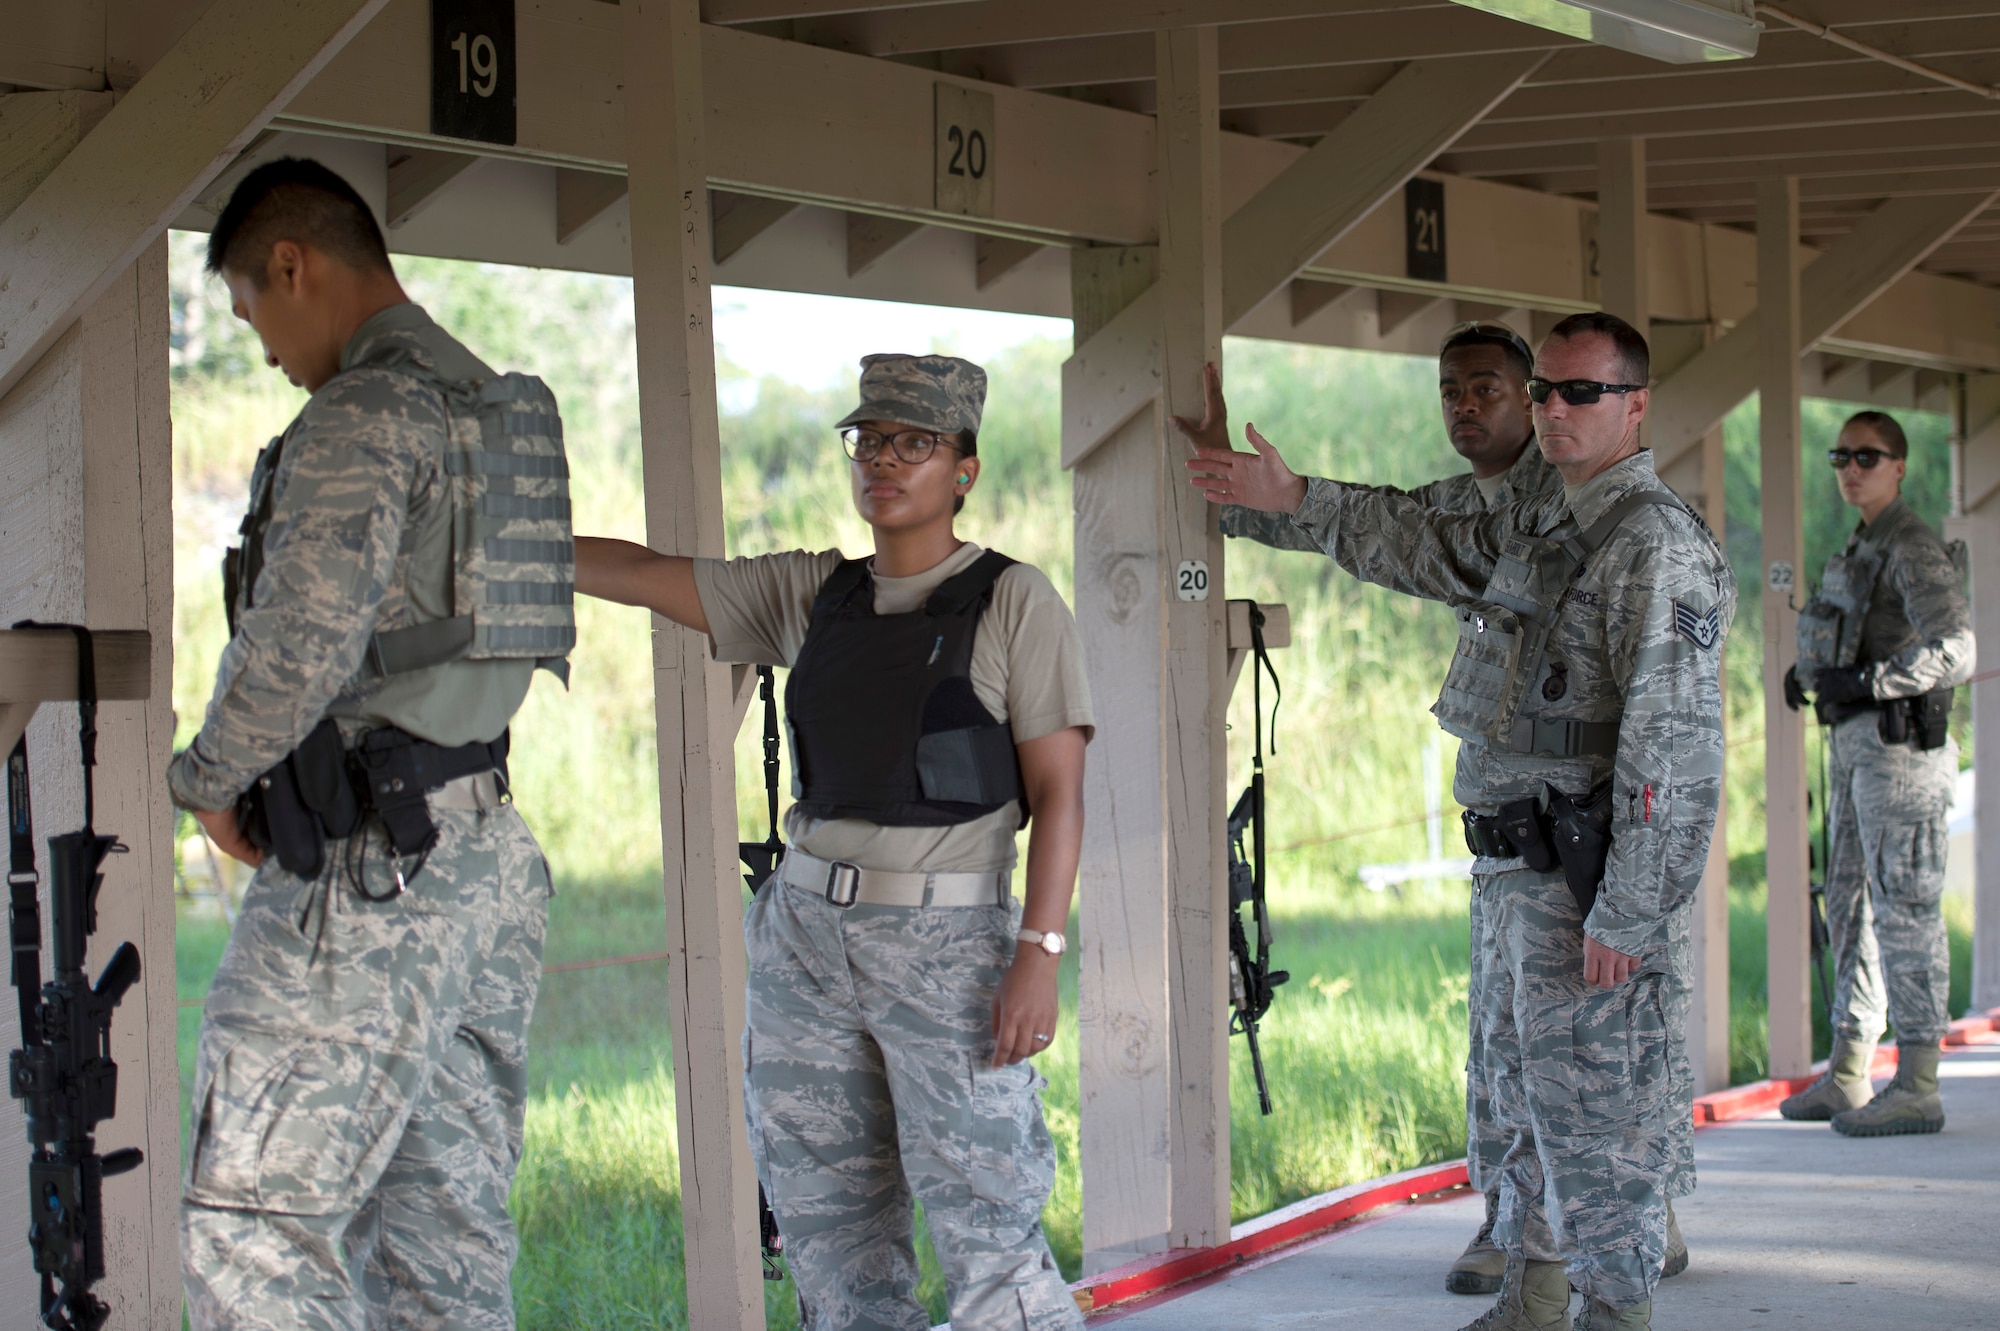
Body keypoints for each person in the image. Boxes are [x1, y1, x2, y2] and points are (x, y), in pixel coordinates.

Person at [1184, 312, 1732, 1331]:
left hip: (1582, 878)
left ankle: (1612, 1310)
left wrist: (1630, 907)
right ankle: (1532, 1294)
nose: (1552, 410)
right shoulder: (1537, 520)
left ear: (1634, 406)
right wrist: (1280, 495)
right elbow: (1412, 534)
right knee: (1521, 1094)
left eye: (1579, 393)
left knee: (1594, 1121)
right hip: (1512, 866)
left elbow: (1677, 747)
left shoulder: (1650, 541)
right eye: (1546, 393)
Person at [575, 353, 1091, 1331]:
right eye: (867, 440)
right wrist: (507, 545)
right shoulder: (814, 594)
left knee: (986, 1228)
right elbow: (648, 575)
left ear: (963, 468)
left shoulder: (1013, 600)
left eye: (912, 442)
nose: (882, 462)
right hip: (804, 939)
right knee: (830, 1234)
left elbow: (1059, 790)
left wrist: (1039, 949)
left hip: (947, 948)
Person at [171, 159, 569, 1326]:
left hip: (372, 871)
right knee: (443, 1244)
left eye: (253, 313)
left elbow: (295, 644)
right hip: (485, 854)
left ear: (292, 266)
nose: (262, 348)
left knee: (248, 1224)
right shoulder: (499, 409)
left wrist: (205, 782)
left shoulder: (363, 411)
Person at [1778, 410, 1973, 1135]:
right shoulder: (1865, 541)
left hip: (1900, 754)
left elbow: (1955, 647)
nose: (1851, 468)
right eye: (1841, 455)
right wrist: (1815, 672)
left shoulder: (1911, 544)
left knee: (1905, 908)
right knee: (1851, 904)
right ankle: (1851, 1070)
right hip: (1857, 752)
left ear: (1899, 464)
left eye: (1868, 455)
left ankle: (1918, 1081)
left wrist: (1869, 681)